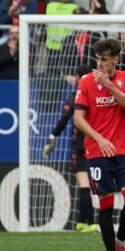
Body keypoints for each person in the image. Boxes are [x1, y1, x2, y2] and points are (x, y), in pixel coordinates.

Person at [72, 38, 125, 251]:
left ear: (115, 60)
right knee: (106, 204)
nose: (100, 64)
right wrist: (99, 138)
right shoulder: (86, 81)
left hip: (124, 150)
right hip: (97, 152)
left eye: (105, 59)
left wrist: (110, 86)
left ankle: (120, 242)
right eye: (98, 59)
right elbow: (78, 118)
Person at [41, 64, 98, 233]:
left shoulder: (76, 96)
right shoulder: (97, 96)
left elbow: (65, 118)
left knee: (84, 184)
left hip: (80, 145)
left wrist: (52, 138)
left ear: (79, 77)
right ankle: (83, 222)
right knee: (88, 184)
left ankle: (89, 222)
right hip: (95, 143)